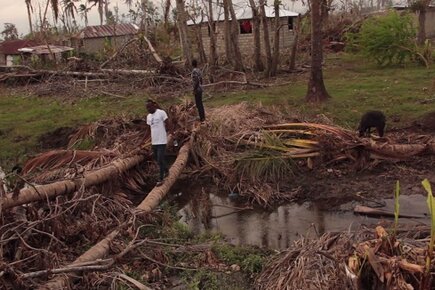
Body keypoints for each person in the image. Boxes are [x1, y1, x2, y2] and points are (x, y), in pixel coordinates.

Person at [146, 100, 169, 186]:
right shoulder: (148, 116)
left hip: (162, 141)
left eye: (149, 107)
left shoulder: (161, 113)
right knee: (157, 158)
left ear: (154, 106)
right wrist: (142, 141)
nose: (148, 109)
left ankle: (161, 178)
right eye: (147, 108)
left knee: (160, 159)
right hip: (154, 141)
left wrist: (172, 133)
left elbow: (168, 123)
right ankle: (166, 169)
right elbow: (148, 129)